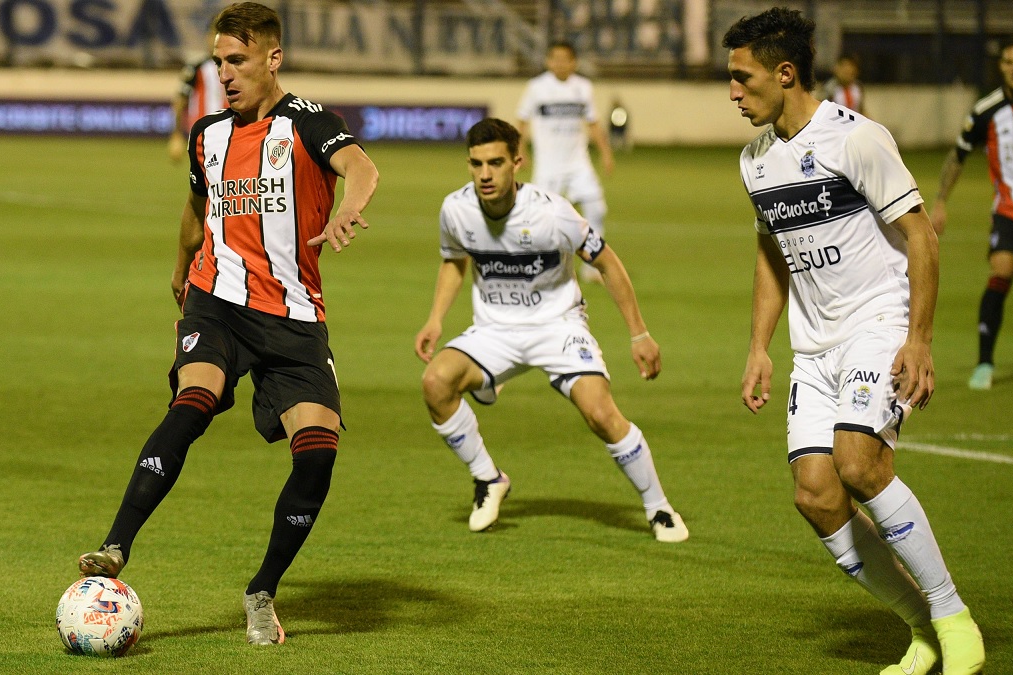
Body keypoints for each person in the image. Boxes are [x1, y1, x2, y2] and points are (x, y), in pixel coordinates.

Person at [78, 1, 379, 647]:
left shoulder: (308, 122)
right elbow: (196, 203)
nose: (226, 73)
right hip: (218, 298)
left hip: (294, 314)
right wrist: (182, 263)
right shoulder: (208, 134)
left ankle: (263, 590)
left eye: (237, 60)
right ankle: (115, 546)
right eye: (219, 61)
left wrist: (351, 207)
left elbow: (362, 166)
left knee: (318, 456)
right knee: (196, 397)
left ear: (273, 58)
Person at [725, 8, 984, 675]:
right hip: (814, 348)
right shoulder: (755, 162)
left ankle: (953, 616)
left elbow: (921, 235)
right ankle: (919, 627)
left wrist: (918, 340)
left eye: (741, 77)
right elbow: (771, 256)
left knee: (860, 463)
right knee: (815, 492)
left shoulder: (856, 138)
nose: (732, 92)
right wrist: (760, 345)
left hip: (875, 321)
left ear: (784, 73)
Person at [415, 117, 687, 542]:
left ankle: (659, 508)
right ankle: (488, 478)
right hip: (495, 330)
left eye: (496, 163)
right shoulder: (456, 209)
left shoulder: (553, 213)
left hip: (557, 327)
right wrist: (435, 318)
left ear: (517, 163)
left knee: (600, 414)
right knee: (435, 383)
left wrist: (638, 333)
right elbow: (454, 261)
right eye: (476, 164)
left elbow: (607, 263)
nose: (485, 174)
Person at [930, 34, 1013, 390]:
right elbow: (957, 157)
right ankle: (984, 363)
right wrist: (939, 201)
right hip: (1011, 208)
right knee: (1002, 270)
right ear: (1001, 68)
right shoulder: (987, 111)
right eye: (1008, 62)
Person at [517, 41, 615, 283]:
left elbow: (593, 123)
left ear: (574, 62)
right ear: (548, 62)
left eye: (565, 59)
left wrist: (605, 153)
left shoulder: (583, 87)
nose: (560, 64)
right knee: (541, 216)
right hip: (548, 164)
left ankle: (592, 269)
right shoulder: (537, 87)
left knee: (596, 208)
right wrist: (521, 150)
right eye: (555, 59)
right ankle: (540, 264)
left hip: (578, 163)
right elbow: (522, 121)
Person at [168, 50, 228, 162]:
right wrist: (177, 134)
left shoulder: (235, 65)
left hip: (229, 128)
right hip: (202, 131)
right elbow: (181, 99)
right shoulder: (197, 67)